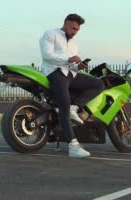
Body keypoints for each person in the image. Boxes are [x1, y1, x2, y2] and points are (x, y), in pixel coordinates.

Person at [39, 13, 104, 157]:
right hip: (55, 72)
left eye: (77, 30)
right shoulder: (51, 34)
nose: (75, 32)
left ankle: (75, 107)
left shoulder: (74, 43)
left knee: (98, 84)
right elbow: (46, 55)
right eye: (73, 28)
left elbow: (72, 65)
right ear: (66, 23)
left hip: (71, 74)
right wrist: (68, 58)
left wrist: (79, 67)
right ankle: (73, 146)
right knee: (64, 105)